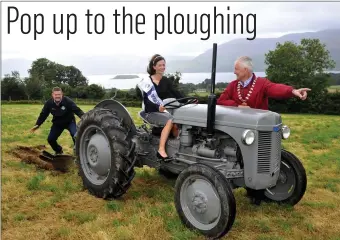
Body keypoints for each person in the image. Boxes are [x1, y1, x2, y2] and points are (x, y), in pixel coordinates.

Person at [217, 56, 311, 109]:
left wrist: (292, 91)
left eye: (236, 69)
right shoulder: (233, 85)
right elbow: (221, 101)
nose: (234, 72)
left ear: (245, 70)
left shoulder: (262, 83)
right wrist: (237, 106)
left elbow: (275, 88)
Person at [137, 54, 184, 162]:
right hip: (150, 112)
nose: (163, 67)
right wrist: (158, 107)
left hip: (164, 111)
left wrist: (188, 100)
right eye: (160, 65)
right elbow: (148, 103)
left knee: (180, 120)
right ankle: (161, 150)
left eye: (164, 65)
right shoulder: (147, 83)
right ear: (154, 67)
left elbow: (176, 93)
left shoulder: (166, 81)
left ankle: (178, 148)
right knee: (171, 120)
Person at [30, 87, 84, 155]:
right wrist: (37, 124)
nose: (58, 96)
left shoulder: (67, 101)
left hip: (69, 122)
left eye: (59, 94)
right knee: (51, 139)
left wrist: (85, 118)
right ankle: (58, 151)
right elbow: (43, 114)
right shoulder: (49, 103)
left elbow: (77, 110)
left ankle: (78, 153)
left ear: (62, 94)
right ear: (52, 95)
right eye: (56, 94)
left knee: (76, 136)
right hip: (57, 123)